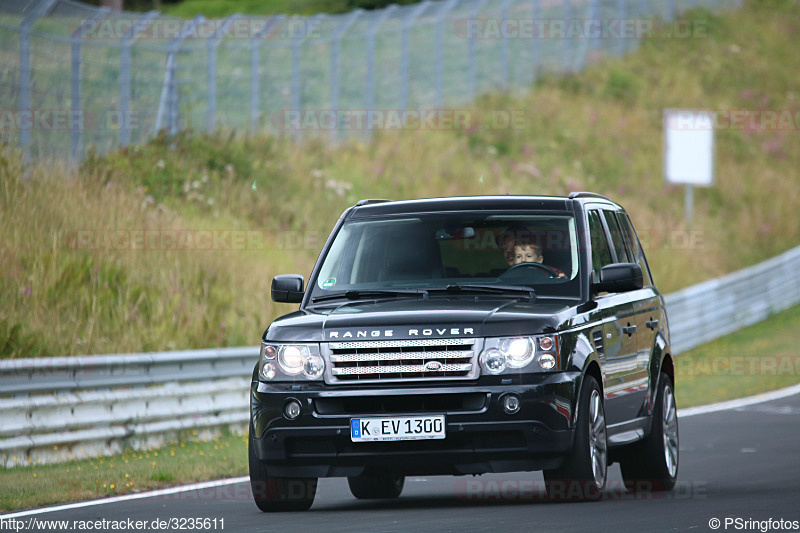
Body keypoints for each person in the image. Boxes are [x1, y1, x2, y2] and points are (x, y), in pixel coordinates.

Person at [498, 226, 566, 278]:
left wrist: (559, 280)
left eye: (514, 245)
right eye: (505, 247)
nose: (508, 250)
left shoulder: (550, 272)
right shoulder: (505, 278)